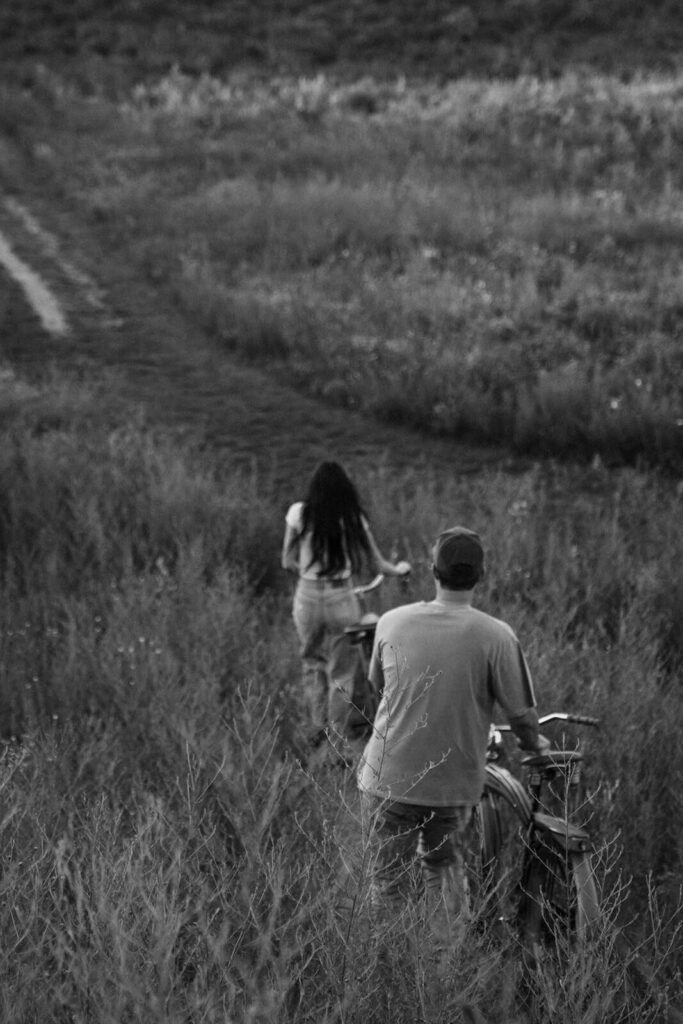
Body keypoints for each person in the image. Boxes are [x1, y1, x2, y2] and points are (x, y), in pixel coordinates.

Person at [357, 525, 548, 949]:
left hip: (387, 777)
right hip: (452, 787)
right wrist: (538, 747)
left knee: (387, 886)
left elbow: (376, 690)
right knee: (444, 872)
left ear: (432, 570)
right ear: (482, 575)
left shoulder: (392, 621)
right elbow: (522, 718)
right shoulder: (496, 635)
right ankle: (439, 978)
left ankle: (383, 980)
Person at [281, 460, 411, 751]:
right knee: (341, 673)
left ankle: (316, 729)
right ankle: (337, 742)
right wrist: (400, 569)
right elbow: (377, 563)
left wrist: (308, 572)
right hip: (342, 598)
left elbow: (286, 561)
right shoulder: (351, 518)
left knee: (312, 661)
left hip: (308, 596)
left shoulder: (299, 514)